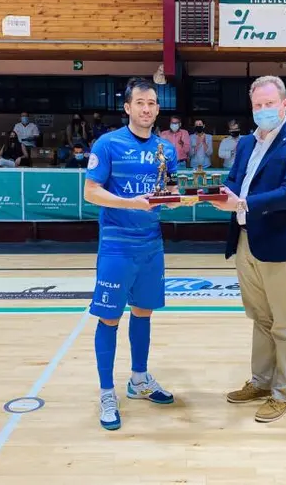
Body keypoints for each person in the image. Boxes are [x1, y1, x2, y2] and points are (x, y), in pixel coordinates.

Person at [212, 75, 286, 423]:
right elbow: (235, 181)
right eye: (257, 105)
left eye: (269, 104)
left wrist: (241, 204)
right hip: (246, 240)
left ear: (284, 104)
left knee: (285, 323)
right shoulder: (245, 143)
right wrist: (216, 194)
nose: (262, 110)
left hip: (280, 243)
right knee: (260, 318)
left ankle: (282, 393)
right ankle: (260, 382)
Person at [83, 77, 179, 431]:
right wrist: (129, 203)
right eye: (140, 102)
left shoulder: (165, 149)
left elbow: (169, 188)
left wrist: (180, 197)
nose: (147, 109)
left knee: (144, 311)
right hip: (117, 244)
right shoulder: (108, 144)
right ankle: (107, 392)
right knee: (109, 318)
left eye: (152, 103)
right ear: (127, 107)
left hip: (151, 243)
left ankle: (139, 380)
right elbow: (91, 192)